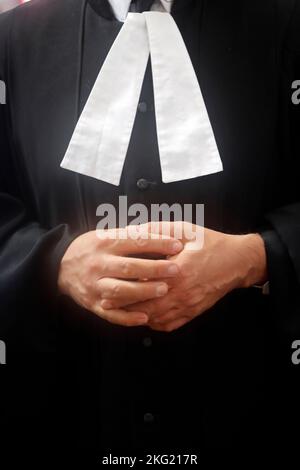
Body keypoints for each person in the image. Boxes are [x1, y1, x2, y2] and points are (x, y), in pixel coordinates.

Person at [0, 0, 300, 460]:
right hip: (69, 404)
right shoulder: (12, 40)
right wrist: (53, 264)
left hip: (247, 402)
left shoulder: (286, 23)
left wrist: (257, 257)